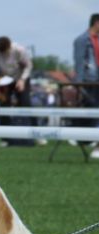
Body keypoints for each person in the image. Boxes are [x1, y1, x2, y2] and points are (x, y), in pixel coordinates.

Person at [0, 36, 36, 147]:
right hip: (4, 80)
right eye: (1, 52)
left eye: (5, 52)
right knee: (3, 106)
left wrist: (22, 80)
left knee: (26, 103)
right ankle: (5, 137)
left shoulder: (19, 50)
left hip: (20, 77)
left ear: (9, 47)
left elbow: (28, 65)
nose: (3, 55)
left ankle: (35, 134)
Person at [73, 13, 99, 158]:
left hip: (97, 81)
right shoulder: (82, 40)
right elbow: (79, 63)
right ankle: (92, 143)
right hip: (88, 82)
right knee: (92, 113)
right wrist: (79, 85)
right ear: (96, 23)